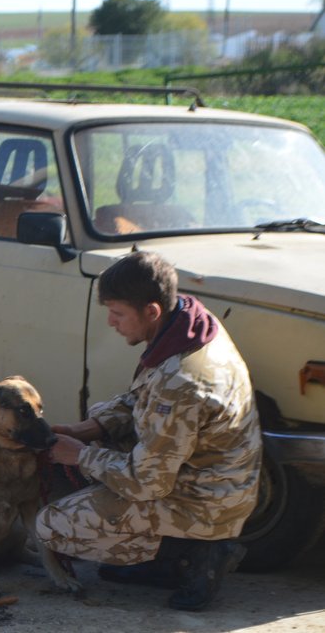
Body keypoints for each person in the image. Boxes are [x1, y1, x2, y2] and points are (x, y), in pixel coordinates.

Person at [35, 250, 261, 611]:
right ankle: (169, 552)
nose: (111, 322)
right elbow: (144, 400)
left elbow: (148, 482)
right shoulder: (188, 324)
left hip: (208, 500)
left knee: (54, 526)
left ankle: (197, 555)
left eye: (118, 313)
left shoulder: (183, 378)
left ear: (152, 311)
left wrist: (79, 455)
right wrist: (89, 429)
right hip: (219, 480)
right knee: (107, 460)